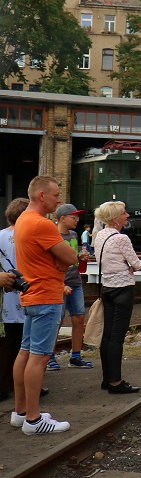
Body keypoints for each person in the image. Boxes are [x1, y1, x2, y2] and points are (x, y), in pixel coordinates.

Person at [12, 176, 79, 434]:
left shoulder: (22, 220)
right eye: (55, 195)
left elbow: (60, 259)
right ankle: (33, 419)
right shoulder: (42, 224)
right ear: (41, 196)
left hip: (31, 295)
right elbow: (71, 257)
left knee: (25, 353)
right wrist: (61, 262)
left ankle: (20, 413)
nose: (59, 199)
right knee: (39, 358)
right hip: (47, 296)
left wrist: (59, 261)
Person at [93, 201, 141, 393]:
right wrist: (131, 265)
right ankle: (116, 382)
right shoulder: (121, 239)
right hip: (123, 288)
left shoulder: (99, 236)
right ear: (115, 218)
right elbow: (137, 264)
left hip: (106, 287)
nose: (127, 215)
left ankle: (107, 378)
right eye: (124, 213)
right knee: (117, 337)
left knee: (107, 335)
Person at [53, 204, 92, 369]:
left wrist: (79, 256)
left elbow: (70, 256)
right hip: (58, 283)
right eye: (73, 217)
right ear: (62, 218)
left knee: (79, 317)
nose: (77, 220)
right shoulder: (53, 236)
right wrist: (60, 284)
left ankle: (76, 356)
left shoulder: (74, 234)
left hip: (75, 281)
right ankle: (49, 356)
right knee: (57, 321)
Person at [1, 198, 30, 403]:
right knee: (24, 345)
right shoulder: (28, 236)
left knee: (6, 344)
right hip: (28, 296)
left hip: (4, 302)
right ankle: (21, 384)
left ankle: (4, 386)